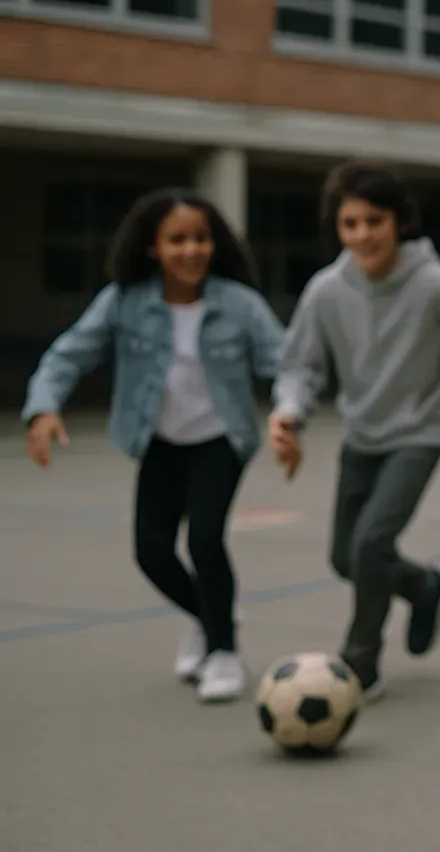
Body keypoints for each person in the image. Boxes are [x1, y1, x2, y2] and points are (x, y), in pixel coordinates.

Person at [22, 187, 286, 703]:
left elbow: (285, 363)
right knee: (152, 552)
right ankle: (209, 619)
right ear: (152, 247)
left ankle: (224, 651)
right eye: (177, 240)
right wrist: (44, 407)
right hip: (160, 441)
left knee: (206, 538)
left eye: (201, 238)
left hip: (220, 438)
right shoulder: (125, 301)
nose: (192, 250)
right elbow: (68, 354)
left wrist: (287, 417)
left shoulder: (239, 304)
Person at [268, 160, 440, 700]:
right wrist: (289, 414)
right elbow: (300, 365)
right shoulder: (326, 290)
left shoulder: (434, 285)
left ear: (400, 221)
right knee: (345, 557)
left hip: (420, 431)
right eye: (350, 224)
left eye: (374, 221)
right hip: (362, 432)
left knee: (371, 542)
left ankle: (360, 665)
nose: (362, 235)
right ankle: (424, 586)